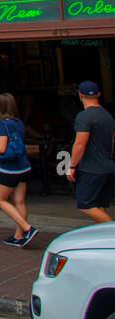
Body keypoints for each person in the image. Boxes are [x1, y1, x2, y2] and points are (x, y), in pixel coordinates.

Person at [0, 92, 38, 247]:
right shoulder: (19, 123)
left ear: (0, 107)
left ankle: (27, 228)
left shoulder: (4, 124)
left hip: (10, 169)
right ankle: (19, 236)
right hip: (24, 167)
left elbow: (1, 149)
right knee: (20, 201)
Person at [67, 81, 113, 224]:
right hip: (108, 166)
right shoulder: (107, 115)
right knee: (98, 205)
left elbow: (80, 144)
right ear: (98, 94)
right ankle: (105, 241)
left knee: (85, 204)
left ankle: (112, 231)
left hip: (91, 168)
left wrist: (72, 166)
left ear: (80, 95)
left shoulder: (84, 116)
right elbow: (112, 142)